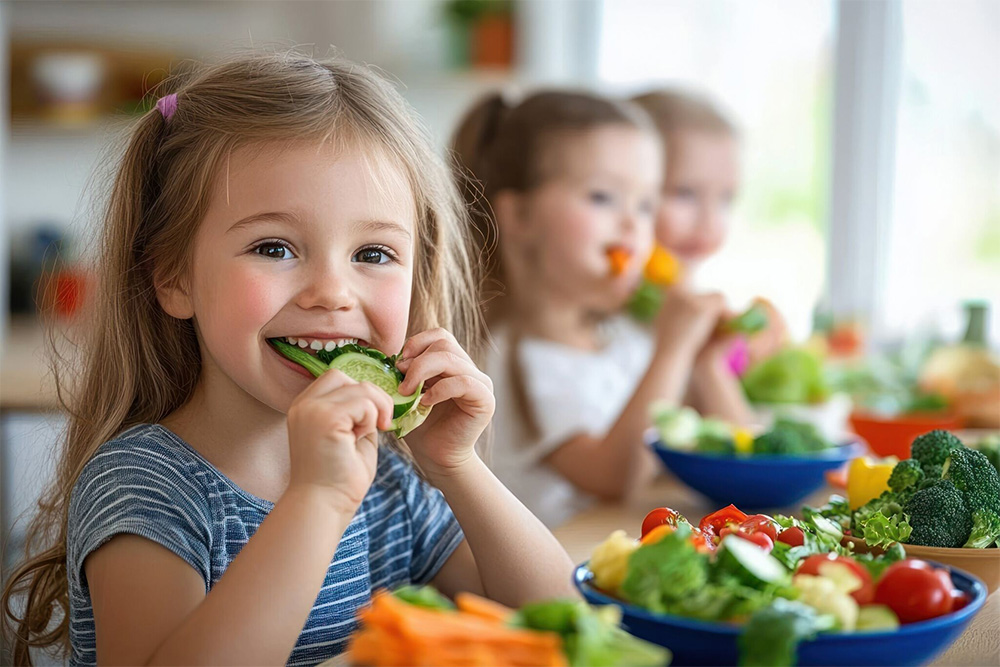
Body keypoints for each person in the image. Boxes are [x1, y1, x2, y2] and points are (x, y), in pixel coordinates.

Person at [1, 53, 574, 667]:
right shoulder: (147, 485)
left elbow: (563, 622)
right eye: (274, 248)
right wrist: (318, 501)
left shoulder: (387, 480)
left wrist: (457, 466)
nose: (332, 292)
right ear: (173, 277)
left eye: (373, 254)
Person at [450, 91, 752, 528]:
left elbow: (741, 454)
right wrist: (673, 350)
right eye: (602, 197)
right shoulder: (514, 359)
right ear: (520, 216)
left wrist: (706, 361)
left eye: (645, 204)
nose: (633, 224)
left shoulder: (621, 338)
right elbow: (615, 478)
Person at [631, 89, 788, 365]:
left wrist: (748, 349)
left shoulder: (692, 297)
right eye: (684, 193)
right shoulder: (614, 317)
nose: (709, 222)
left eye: (726, 199)